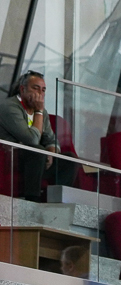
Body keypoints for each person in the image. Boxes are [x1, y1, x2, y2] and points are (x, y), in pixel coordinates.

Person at [2, 72, 66, 201]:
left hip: (36, 160)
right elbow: (32, 140)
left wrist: (51, 153)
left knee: (68, 160)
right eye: (35, 88)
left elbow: (51, 139)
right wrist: (38, 111)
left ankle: (57, 202)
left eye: (43, 90)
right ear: (22, 89)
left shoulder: (43, 112)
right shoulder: (9, 107)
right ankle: (32, 200)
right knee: (37, 151)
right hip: (10, 158)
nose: (40, 94)